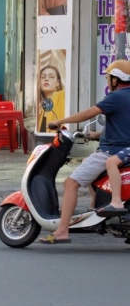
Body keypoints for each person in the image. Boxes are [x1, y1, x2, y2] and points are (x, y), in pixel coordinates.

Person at [41, 60, 130, 242]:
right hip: (121, 147)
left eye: (109, 77)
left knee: (70, 183)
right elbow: (123, 126)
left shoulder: (116, 97)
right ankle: (93, 210)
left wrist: (60, 121)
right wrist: (95, 135)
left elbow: (89, 113)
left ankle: (62, 231)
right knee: (86, 165)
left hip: (111, 151)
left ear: (116, 79)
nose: (107, 80)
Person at [37, 63, 65, 133]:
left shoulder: (63, 95)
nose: (46, 79)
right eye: (43, 77)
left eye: (51, 77)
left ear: (58, 83)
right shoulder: (41, 108)